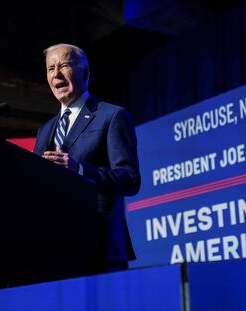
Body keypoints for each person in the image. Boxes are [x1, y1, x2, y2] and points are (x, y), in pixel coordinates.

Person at [34, 43, 141, 272]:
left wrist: (80, 169)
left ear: (85, 72)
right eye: (50, 68)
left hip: (98, 246)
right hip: (51, 247)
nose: (56, 74)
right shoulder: (46, 129)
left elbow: (130, 178)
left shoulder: (112, 116)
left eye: (64, 65)